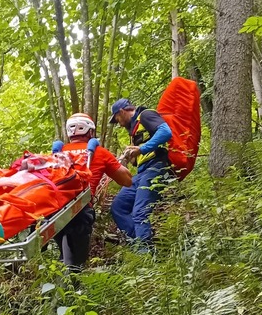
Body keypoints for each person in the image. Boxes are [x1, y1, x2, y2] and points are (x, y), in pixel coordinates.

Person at [49, 113, 132, 271]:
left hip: (54, 211)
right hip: (80, 209)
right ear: (90, 132)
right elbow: (127, 180)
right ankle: (73, 289)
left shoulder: (58, 154)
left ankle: (63, 284)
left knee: (65, 255)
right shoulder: (98, 152)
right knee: (76, 264)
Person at [108, 98, 174, 248]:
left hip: (156, 167)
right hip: (142, 172)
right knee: (118, 207)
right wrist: (129, 157)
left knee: (139, 212)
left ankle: (145, 255)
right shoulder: (134, 131)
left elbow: (165, 132)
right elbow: (139, 157)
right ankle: (140, 243)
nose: (118, 123)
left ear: (122, 112)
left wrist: (141, 149)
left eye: (117, 118)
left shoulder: (145, 115)